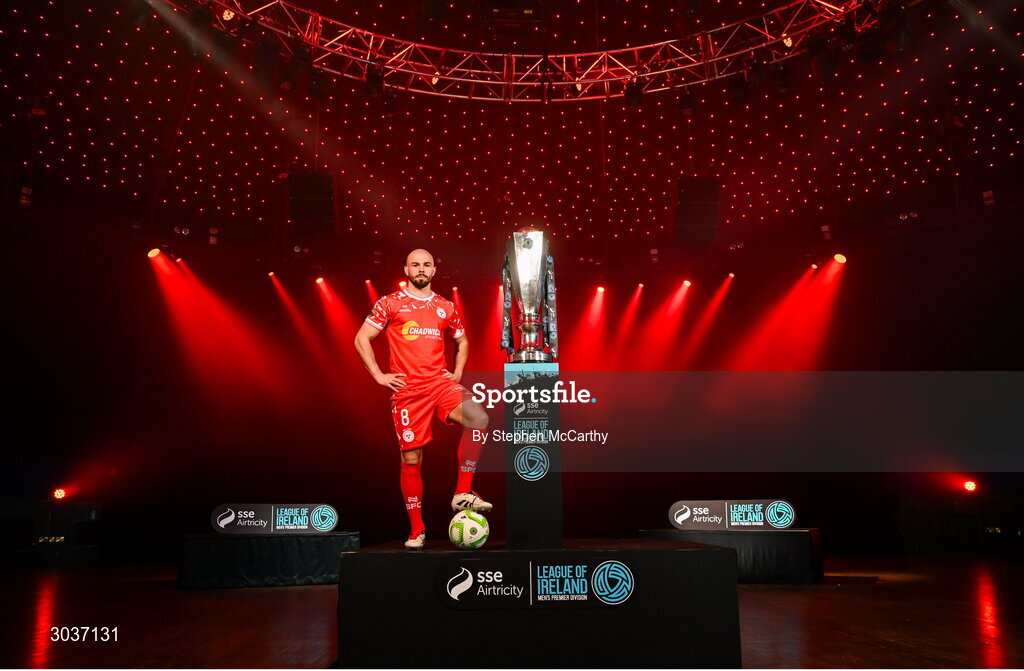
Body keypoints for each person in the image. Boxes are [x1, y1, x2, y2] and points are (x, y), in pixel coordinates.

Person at [354, 249, 491, 550]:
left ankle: (462, 492)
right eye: (415, 264)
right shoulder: (390, 303)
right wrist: (378, 375)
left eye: (426, 264)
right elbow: (362, 338)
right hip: (408, 391)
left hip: (439, 383)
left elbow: (463, 340)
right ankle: (417, 530)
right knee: (412, 458)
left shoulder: (445, 306)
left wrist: (456, 372)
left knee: (479, 419)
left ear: (433, 271)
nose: (421, 268)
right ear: (406, 269)